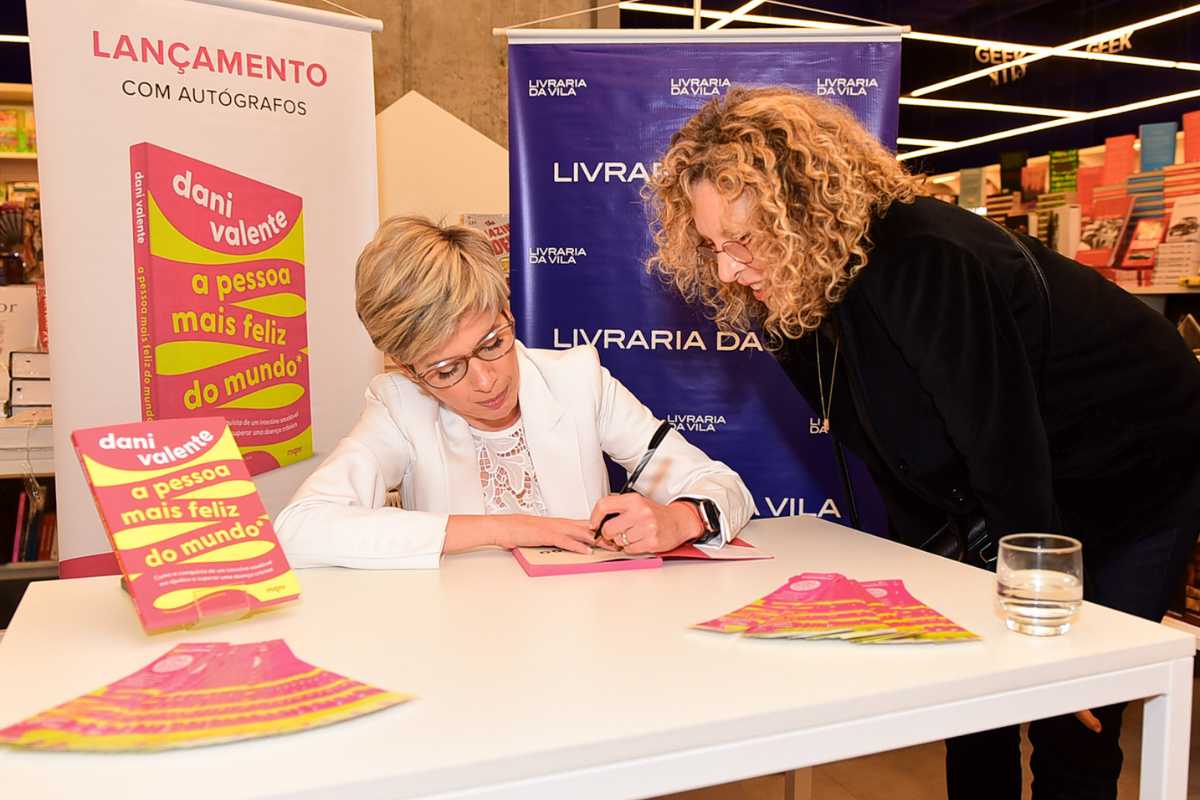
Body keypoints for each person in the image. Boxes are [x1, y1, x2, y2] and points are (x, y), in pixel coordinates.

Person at [644, 86, 1200, 800]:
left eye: (743, 242)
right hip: (1023, 473)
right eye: (714, 247)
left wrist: (1047, 617)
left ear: (800, 215)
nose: (725, 270)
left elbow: (1003, 448)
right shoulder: (794, 291)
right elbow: (892, 460)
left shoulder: (926, 258)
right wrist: (938, 590)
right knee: (969, 689)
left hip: (1137, 464)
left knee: (1071, 711)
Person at [274, 215, 754, 570]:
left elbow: (722, 485)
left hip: (589, 635)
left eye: (492, 343)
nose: (486, 381)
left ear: (507, 309)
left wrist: (681, 519)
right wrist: (508, 529)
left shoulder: (576, 380)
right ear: (409, 370)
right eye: (445, 370)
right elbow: (299, 528)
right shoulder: (400, 406)